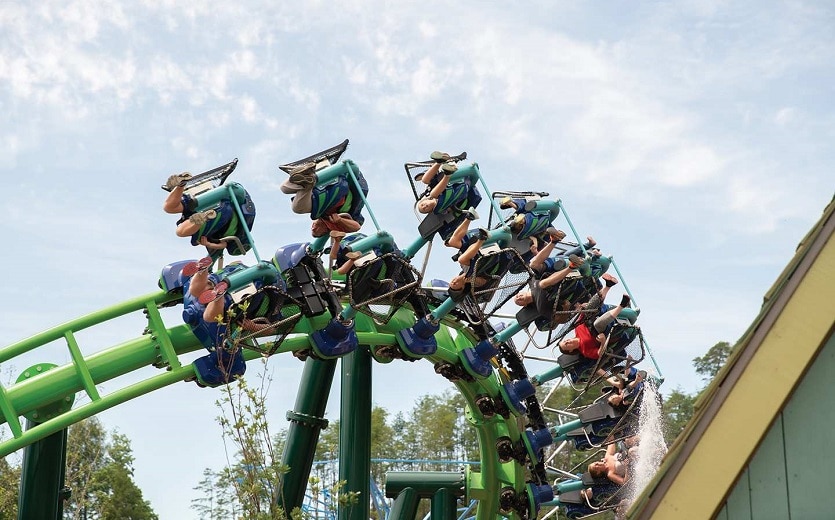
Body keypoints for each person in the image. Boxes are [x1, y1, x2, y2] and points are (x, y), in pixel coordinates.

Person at [163, 172, 256, 257]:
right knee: (180, 230)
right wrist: (208, 244)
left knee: (170, 210)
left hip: (216, 207)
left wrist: (208, 244)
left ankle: (180, 186)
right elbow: (223, 245)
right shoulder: (234, 236)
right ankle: (200, 215)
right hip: (221, 212)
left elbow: (221, 246)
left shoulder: (233, 234)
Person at [557, 294, 632, 360]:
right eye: (566, 344)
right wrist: (603, 342)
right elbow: (599, 354)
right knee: (597, 324)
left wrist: (582, 308)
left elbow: (582, 316)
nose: (567, 341)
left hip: (596, 316)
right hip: (603, 331)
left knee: (589, 308)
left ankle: (608, 286)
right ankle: (622, 305)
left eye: (565, 341)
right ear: (571, 350)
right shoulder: (585, 350)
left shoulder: (577, 329)